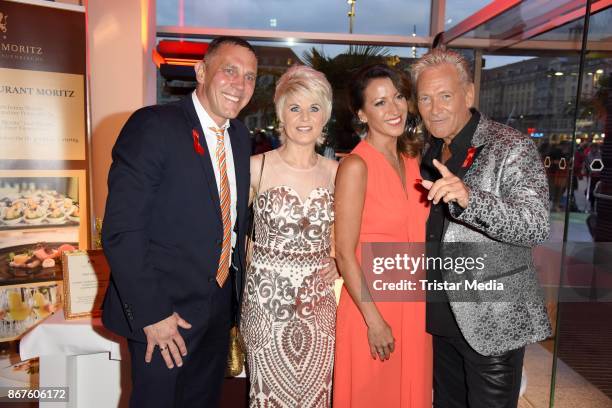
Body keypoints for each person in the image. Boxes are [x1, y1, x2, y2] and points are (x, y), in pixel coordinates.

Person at [101, 36, 257, 407]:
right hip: (163, 312)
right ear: (201, 72)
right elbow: (122, 230)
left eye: (250, 77)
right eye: (230, 71)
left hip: (217, 310)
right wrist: (153, 314)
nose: (240, 84)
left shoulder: (239, 136)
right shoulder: (154, 126)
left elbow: (232, 221)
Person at [414, 48, 552, 407]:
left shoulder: (511, 146)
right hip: (440, 320)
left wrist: (470, 199)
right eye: (425, 98)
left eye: (445, 96)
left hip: (493, 321)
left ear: (469, 95)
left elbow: (535, 225)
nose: (435, 108)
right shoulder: (428, 153)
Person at [240, 65, 339, 407]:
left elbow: (348, 235)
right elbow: (229, 232)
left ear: (325, 114)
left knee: (317, 396)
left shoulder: (338, 172)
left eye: (314, 107)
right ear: (281, 112)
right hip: (265, 305)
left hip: (319, 306)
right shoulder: (256, 166)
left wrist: (338, 260)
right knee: (267, 397)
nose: (304, 117)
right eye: (295, 107)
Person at [333, 64, 432, 407]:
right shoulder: (355, 166)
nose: (394, 109)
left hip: (413, 306)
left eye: (398, 97)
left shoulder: (411, 160)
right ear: (361, 113)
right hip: (370, 308)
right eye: (379, 103)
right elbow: (344, 253)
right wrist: (374, 320)